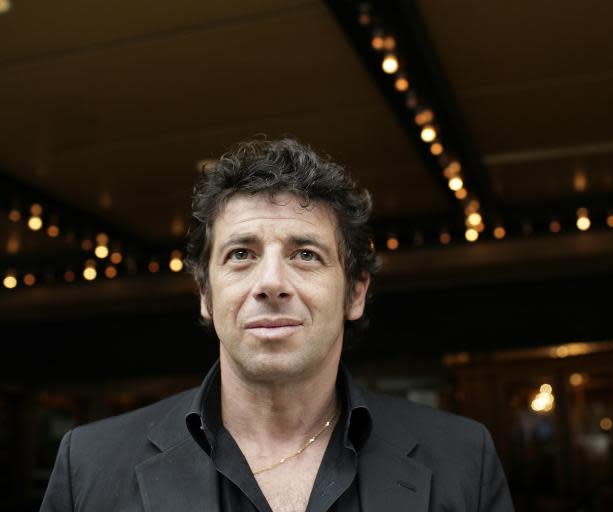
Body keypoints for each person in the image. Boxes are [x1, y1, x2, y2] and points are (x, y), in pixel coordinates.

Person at [40, 137, 514, 512]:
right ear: (205, 295)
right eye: (241, 254)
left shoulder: (463, 459)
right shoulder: (90, 464)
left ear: (355, 292)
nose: (270, 283)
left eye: (305, 255)